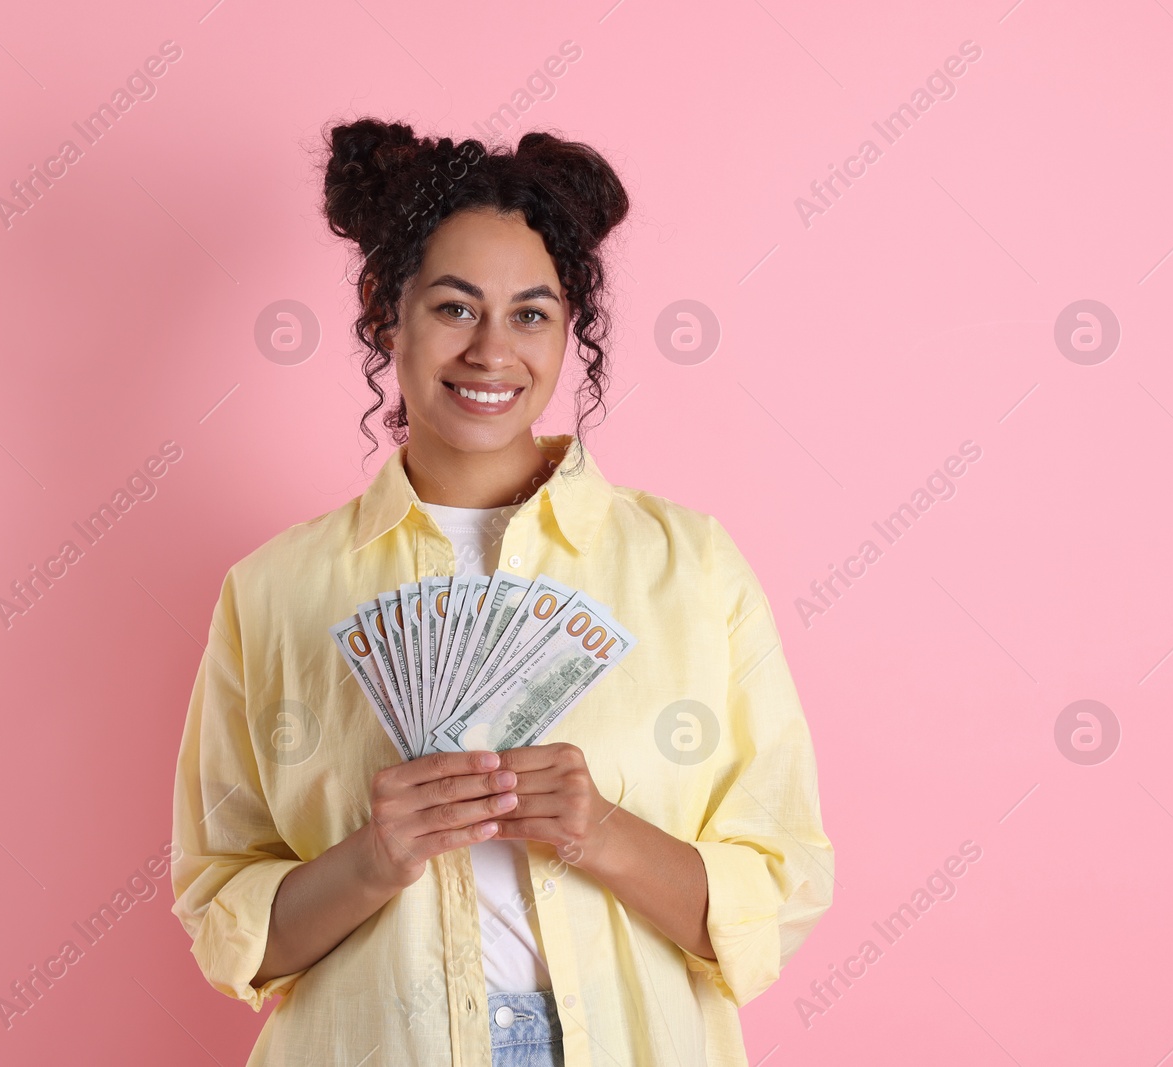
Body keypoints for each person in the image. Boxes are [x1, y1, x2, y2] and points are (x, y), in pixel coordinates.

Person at [169, 118, 835, 1067]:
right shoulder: (274, 591)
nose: (491, 351)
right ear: (383, 314)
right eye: (453, 307)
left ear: (570, 332)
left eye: (530, 313)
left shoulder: (690, 567)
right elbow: (225, 916)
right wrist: (372, 858)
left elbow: (783, 883)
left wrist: (599, 830)